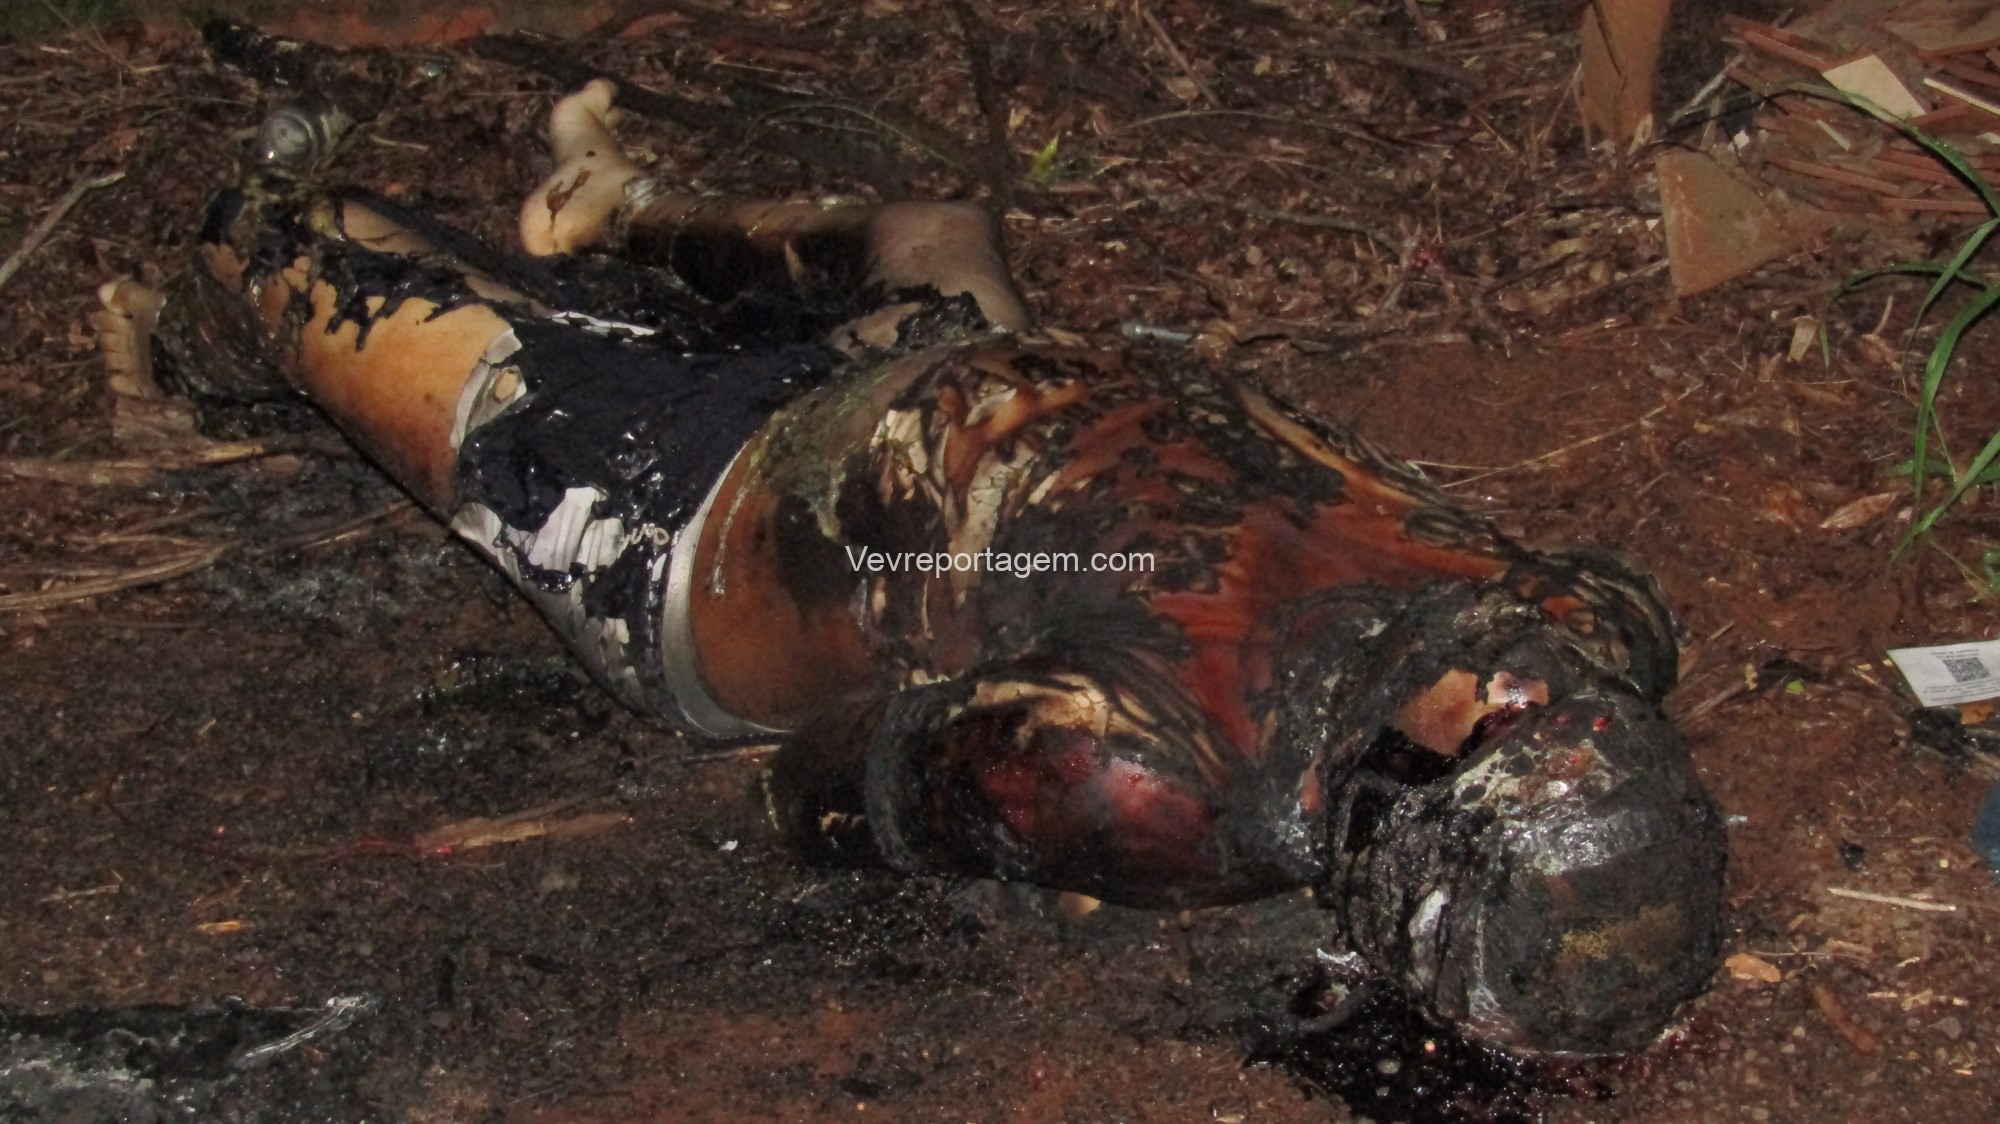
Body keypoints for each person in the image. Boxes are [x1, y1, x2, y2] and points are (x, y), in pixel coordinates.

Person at [95, 74, 1724, 1057]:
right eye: (1560, 700)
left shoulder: (1150, 778)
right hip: (972, 382)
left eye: (1500, 719)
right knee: (931, 230)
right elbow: (1606, 622)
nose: (1521, 676)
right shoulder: (1570, 630)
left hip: (710, 521)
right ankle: (621, 216)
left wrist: (986, 790)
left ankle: (209, 301)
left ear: (1392, 803)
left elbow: (831, 787)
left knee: (342, 278)